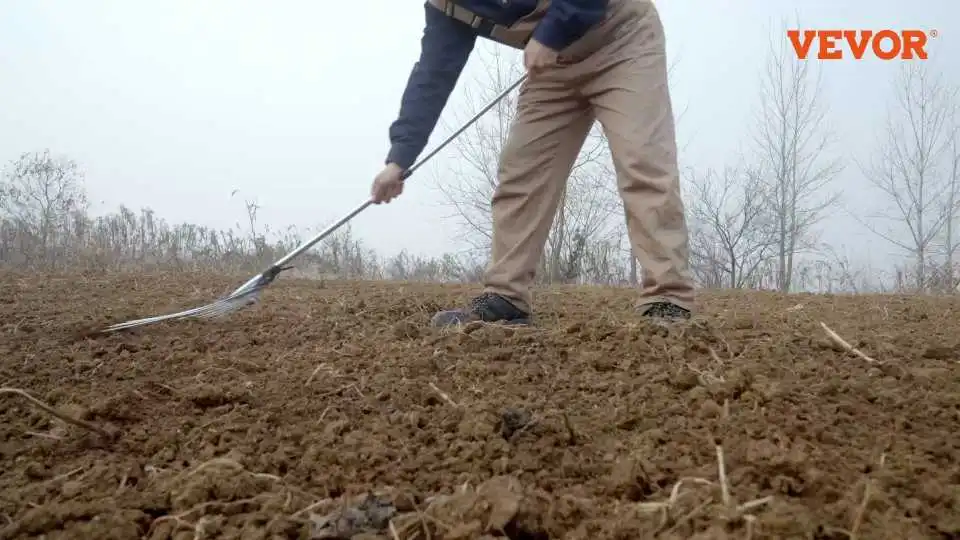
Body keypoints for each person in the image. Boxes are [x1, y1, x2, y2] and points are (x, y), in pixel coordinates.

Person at [370, 0, 695, 327]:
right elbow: (432, 75)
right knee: (520, 173)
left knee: (642, 161)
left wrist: (550, 33)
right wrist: (399, 158)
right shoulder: (446, 5)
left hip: (622, 39)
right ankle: (506, 295)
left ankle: (667, 296)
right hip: (555, 63)